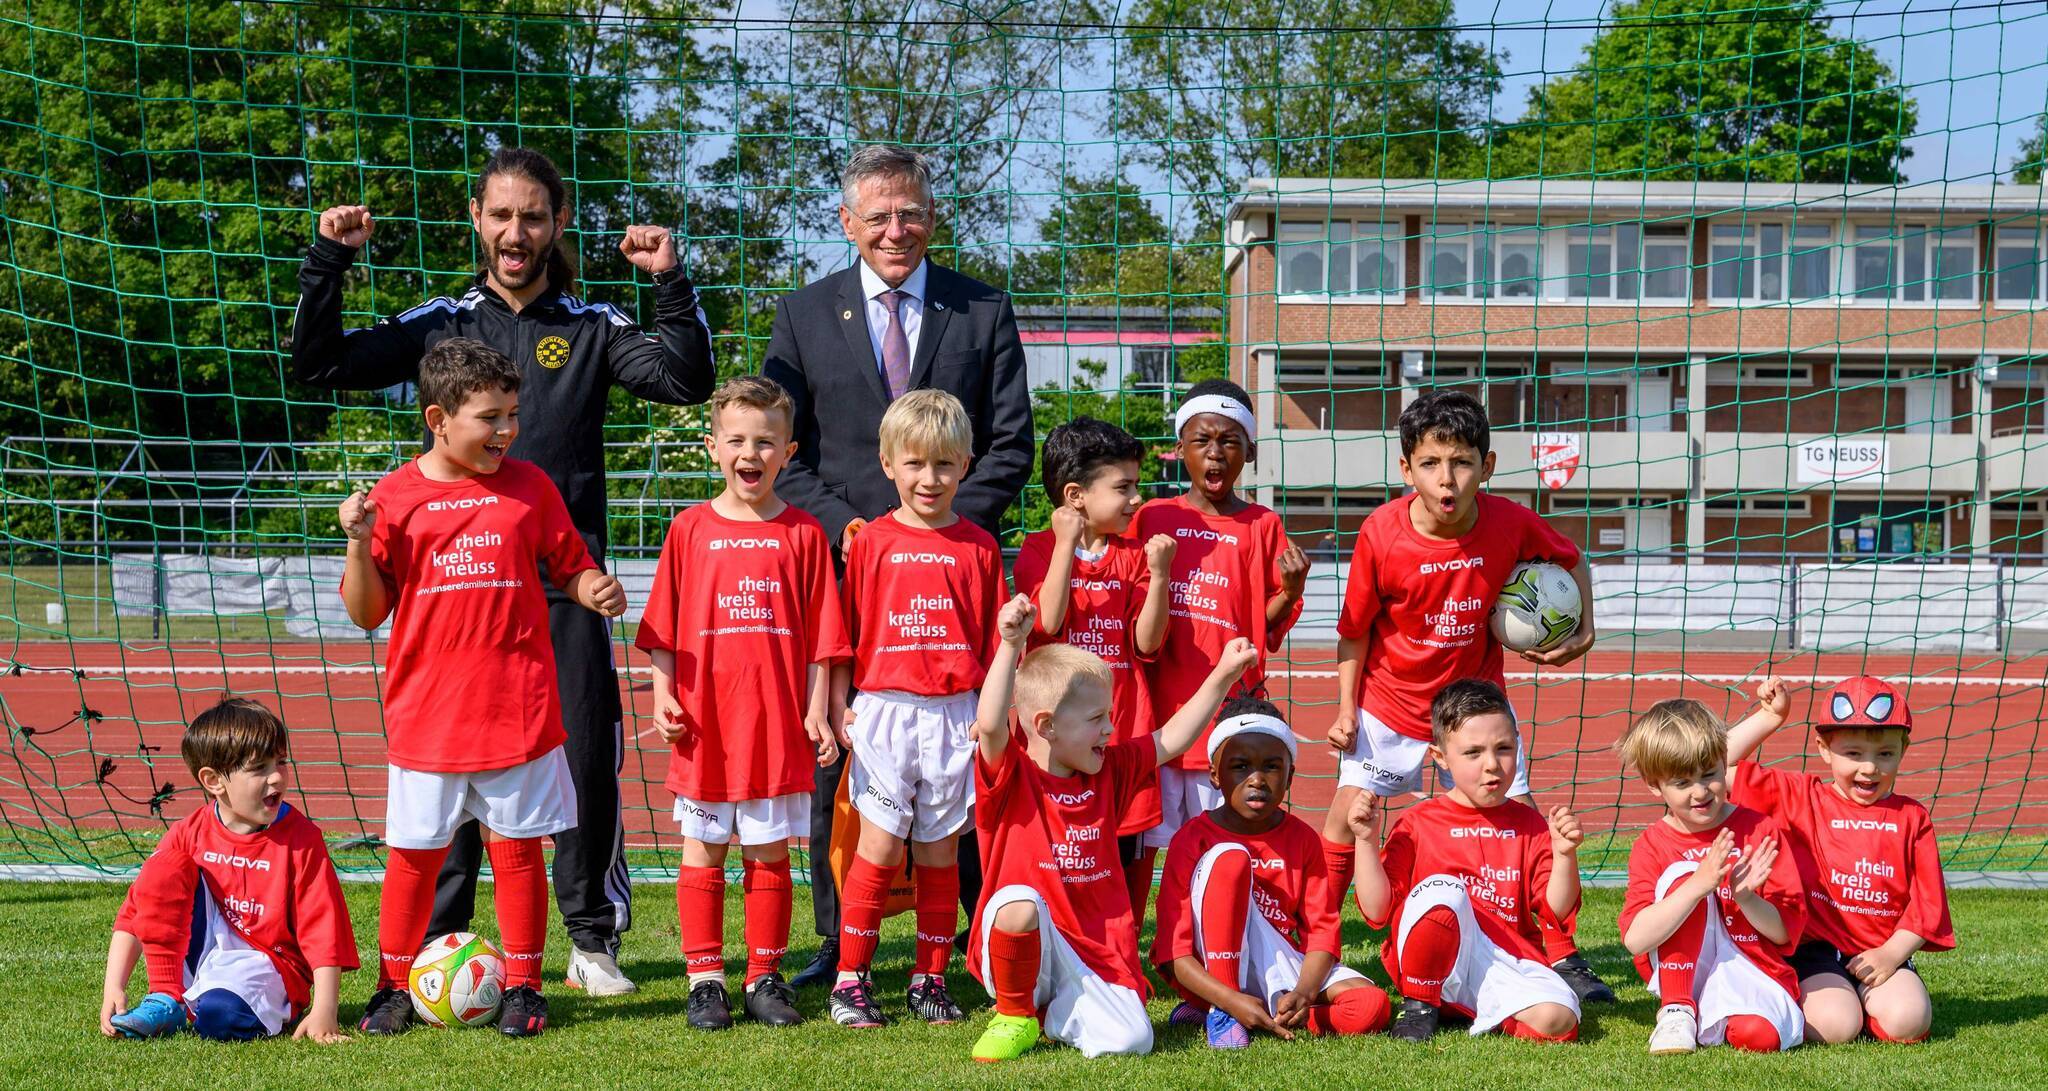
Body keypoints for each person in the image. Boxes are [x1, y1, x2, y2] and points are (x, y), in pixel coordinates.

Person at [292, 146, 714, 995]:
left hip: (562, 586)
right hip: (456, 594)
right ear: (476, 221)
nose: (515, 232)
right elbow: (319, 365)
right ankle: (442, 940)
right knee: (447, 769)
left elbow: (685, 376)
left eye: (532, 216)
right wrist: (328, 261)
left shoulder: (592, 323)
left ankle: (591, 939)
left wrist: (670, 280)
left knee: (586, 758)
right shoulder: (441, 322)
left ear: (557, 224)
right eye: (500, 215)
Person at [761, 144, 1033, 986]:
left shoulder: (981, 309)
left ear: (932, 216)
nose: (894, 229)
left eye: (909, 212)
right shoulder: (804, 313)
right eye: (876, 216)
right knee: (837, 757)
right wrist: (852, 529)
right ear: (847, 223)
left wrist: (940, 529)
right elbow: (788, 451)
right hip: (847, 570)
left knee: (966, 754)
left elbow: (1010, 441)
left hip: (955, 568)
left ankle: (963, 941)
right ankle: (836, 940)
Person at [338, 338, 628, 1038]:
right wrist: (356, 540)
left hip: (517, 707)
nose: (506, 429)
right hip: (428, 713)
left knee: (519, 848)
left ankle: (525, 986)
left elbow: (570, 564)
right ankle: (391, 985)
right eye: (489, 417)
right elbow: (366, 611)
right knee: (415, 854)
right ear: (438, 417)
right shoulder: (393, 497)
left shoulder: (530, 487)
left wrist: (594, 588)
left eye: (512, 414)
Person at [1321, 388, 1610, 1004]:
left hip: (1476, 705)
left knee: (1524, 816)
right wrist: (1347, 710)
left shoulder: (1511, 522)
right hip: (1390, 703)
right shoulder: (1381, 533)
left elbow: (1574, 559)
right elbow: (1354, 632)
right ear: (1406, 469)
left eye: (1461, 462)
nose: (1446, 479)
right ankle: (1315, 937)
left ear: (1488, 465)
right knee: (1346, 813)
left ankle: (1561, 953)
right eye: (1430, 464)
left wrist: (1585, 630)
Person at [634, 376, 852, 1031]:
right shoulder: (689, 528)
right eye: (736, 439)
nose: (749, 452)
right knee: (703, 848)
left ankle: (763, 974)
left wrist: (819, 709)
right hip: (706, 728)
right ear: (712, 447)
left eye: (765, 440)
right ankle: (704, 979)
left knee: (769, 853)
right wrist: (663, 694)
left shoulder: (805, 534)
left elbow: (825, 639)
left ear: (787, 452)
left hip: (774, 729)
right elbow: (662, 629)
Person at [966, 599, 1259, 1062]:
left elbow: (1172, 738)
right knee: (1017, 902)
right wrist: (1010, 644)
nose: (1110, 728)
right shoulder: (1010, 776)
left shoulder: (1109, 772)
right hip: (1027, 936)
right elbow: (989, 725)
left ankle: (1051, 1014)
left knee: (1131, 1041)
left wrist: (1223, 673)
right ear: (1046, 727)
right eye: (1095, 719)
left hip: (1094, 957)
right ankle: (1014, 1013)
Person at [826, 389, 1006, 1028]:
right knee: (876, 847)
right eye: (916, 464)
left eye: (945, 465)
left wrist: (993, 719)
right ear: (887, 463)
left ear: (966, 465)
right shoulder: (869, 543)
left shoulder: (980, 548)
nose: (930, 479)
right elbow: (844, 631)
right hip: (885, 712)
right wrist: (840, 703)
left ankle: (929, 979)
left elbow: (993, 647)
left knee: (937, 852)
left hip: (955, 714)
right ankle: (851, 978)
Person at [1130, 379, 1307, 899]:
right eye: (1202, 440)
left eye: (1229, 441)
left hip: (1228, 717)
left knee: (1225, 843)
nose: (1215, 452)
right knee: (1145, 842)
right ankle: (1136, 950)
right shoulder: (1153, 518)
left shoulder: (1263, 525)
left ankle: (1222, 940)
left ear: (1249, 452)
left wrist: (1291, 590)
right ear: (1180, 448)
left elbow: (1263, 628)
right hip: (1160, 715)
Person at [100, 699, 357, 1044]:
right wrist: (113, 986)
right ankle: (165, 995)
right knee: (163, 866)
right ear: (213, 780)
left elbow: (323, 931)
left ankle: (205, 1004)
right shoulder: (188, 831)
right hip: (200, 953)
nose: (277, 776)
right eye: (259, 769)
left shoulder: (302, 840)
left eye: (281, 762)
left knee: (219, 1018)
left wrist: (325, 1010)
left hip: (269, 966)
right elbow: (136, 911)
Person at [1348, 679, 1584, 1045]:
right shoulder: (1417, 823)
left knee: (1559, 1018)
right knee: (1445, 892)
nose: (1492, 765)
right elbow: (1377, 912)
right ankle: (1421, 1004)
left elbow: (1555, 911)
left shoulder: (1530, 824)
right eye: (1473, 753)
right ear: (1440, 758)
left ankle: (1471, 1007)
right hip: (1430, 958)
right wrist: (1365, 840)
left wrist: (1565, 855)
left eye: (1504, 749)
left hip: (1500, 960)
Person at [1150, 698, 1392, 1049]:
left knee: (1371, 1006)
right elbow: (1176, 955)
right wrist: (1230, 998)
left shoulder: (1302, 838)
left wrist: (1305, 993)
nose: (1257, 780)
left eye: (1272, 767)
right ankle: (1224, 1009)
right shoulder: (1192, 839)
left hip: (1280, 965)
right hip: (1210, 969)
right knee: (1232, 860)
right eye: (1241, 766)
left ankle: (1269, 1013)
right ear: (1215, 775)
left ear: (1290, 775)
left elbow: (1322, 932)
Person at [1009, 417, 1173, 931]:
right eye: (1122, 487)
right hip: (1060, 733)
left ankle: (1120, 937)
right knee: (1061, 839)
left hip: (1122, 725)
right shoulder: (1039, 548)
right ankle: (1062, 936)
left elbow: (1147, 643)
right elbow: (1050, 622)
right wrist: (1063, 545)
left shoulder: (1132, 555)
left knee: (1126, 842)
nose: (1134, 499)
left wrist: (1162, 573)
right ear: (1076, 495)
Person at [1726, 675, 1954, 1044]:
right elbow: (1707, 764)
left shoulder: (1913, 818)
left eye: (1885, 754)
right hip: (1814, 952)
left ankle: (1876, 1002)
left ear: (1903, 750)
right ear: (1823, 748)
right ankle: (1842, 1003)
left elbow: (1927, 905)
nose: (1869, 768)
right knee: (1835, 1026)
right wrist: (1770, 717)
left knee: (1908, 1020)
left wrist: (1891, 955)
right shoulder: (1799, 797)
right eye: (1853, 753)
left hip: (1883, 951)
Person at [1617, 699, 1806, 1055]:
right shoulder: (1652, 844)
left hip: (1752, 965)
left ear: (1724, 762)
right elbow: (1636, 941)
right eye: (1682, 782)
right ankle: (1678, 1008)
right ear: (1654, 786)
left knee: (1758, 1037)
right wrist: (1698, 885)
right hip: (1685, 972)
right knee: (1683, 877)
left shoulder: (1759, 829)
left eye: (1709, 774)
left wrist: (1747, 898)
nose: (1701, 792)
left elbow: (1784, 933)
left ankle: (1717, 1017)